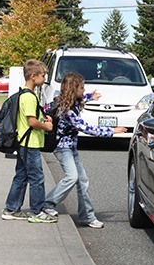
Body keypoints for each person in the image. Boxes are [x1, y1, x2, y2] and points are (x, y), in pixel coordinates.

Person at [42, 72, 127, 228]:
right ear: (74, 89)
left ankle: (87, 217)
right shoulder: (67, 111)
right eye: (82, 87)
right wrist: (112, 131)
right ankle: (48, 203)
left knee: (83, 181)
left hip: (71, 147)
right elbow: (85, 128)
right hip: (63, 149)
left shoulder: (69, 102)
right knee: (72, 177)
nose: (84, 89)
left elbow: (81, 98)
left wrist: (90, 96)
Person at [2, 59, 55, 224]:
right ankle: (37, 211)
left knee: (21, 176)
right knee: (37, 178)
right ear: (33, 76)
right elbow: (32, 122)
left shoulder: (23, 94)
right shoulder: (29, 97)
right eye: (43, 75)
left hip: (23, 142)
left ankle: (11, 208)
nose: (44, 78)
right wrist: (46, 126)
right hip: (30, 143)